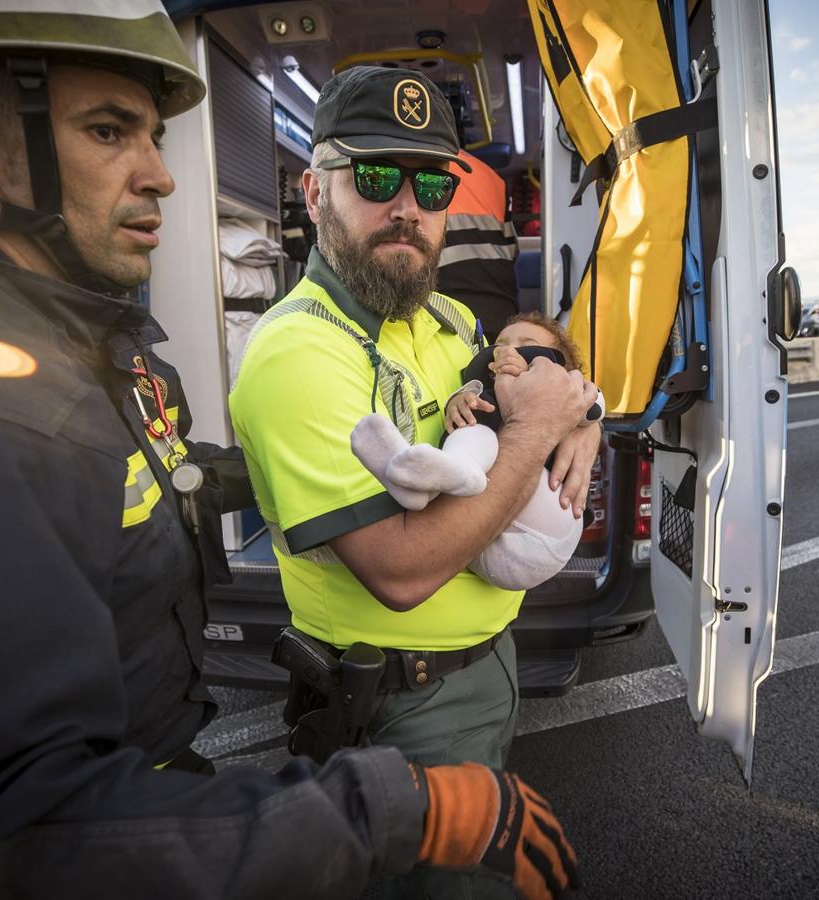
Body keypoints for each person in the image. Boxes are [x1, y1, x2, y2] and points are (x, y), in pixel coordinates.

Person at [0, 4, 579, 898]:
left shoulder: (91, 345)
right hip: (239, 770)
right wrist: (390, 808)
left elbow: (155, 486)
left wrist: (562, 402)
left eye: (432, 188)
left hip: (167, 770)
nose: (161, 176)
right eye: (108, 130)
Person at [228, 66, 601, 898]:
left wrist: (581, 413)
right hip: (395, 712)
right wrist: (538, 430)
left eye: (431, 182)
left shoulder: (446, 320)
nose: (407, 205)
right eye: (373, 176)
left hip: (486, 670)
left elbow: (534, 376)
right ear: (313, 191)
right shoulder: (296, 352)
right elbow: (400, 570)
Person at [351, 311, 603, 590]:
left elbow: (594, 405)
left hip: (543, 528)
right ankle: (417, 484)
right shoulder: (484, 390)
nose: (509, 350)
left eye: (525, 343)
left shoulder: (567, 385)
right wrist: (457, 404)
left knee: (489, 440)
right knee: (473, 430)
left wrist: (586, 424)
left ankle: (452, 476)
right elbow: (467, 400)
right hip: (476, 540)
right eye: (501, 343)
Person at [437, 148, 520, 341]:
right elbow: (512, 249)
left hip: (446, 309)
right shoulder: (492, 177)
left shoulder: (420, 168)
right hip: (501, 310)